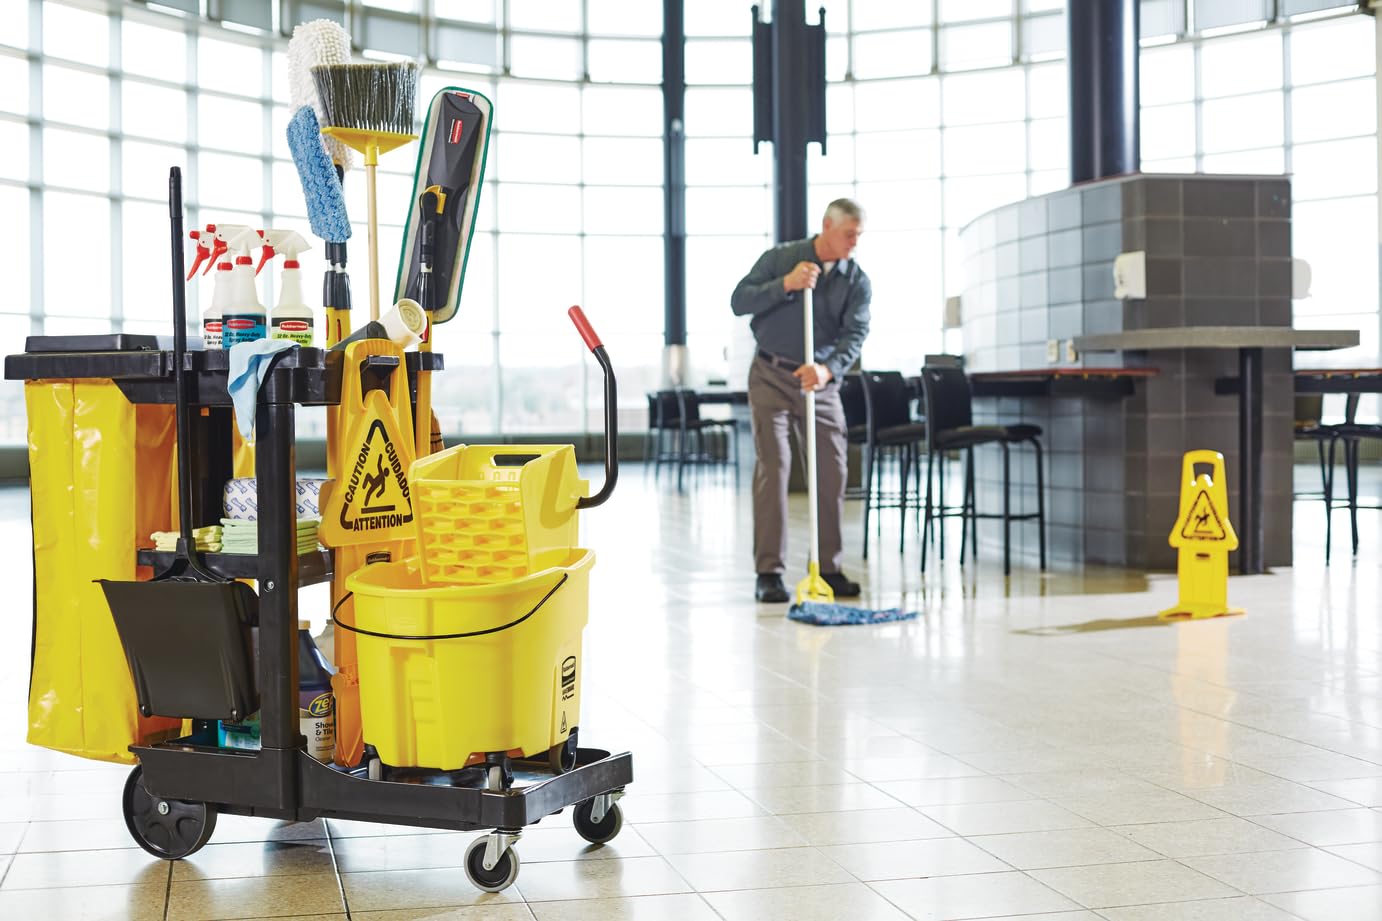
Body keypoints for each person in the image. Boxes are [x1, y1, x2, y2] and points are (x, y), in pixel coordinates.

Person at [731, 199, 871, 603]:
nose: (854, 243)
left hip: (819, 383)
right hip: (771, 375)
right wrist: (786, 285)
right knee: (773, 467)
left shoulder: (857, 281)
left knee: (832, 469)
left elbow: (855, 335)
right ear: (827, 225)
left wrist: (827, 369)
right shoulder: (781, 259)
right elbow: (740, 301)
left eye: (859, 236)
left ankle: (828, 568)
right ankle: (769, 573)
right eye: (849, 234)